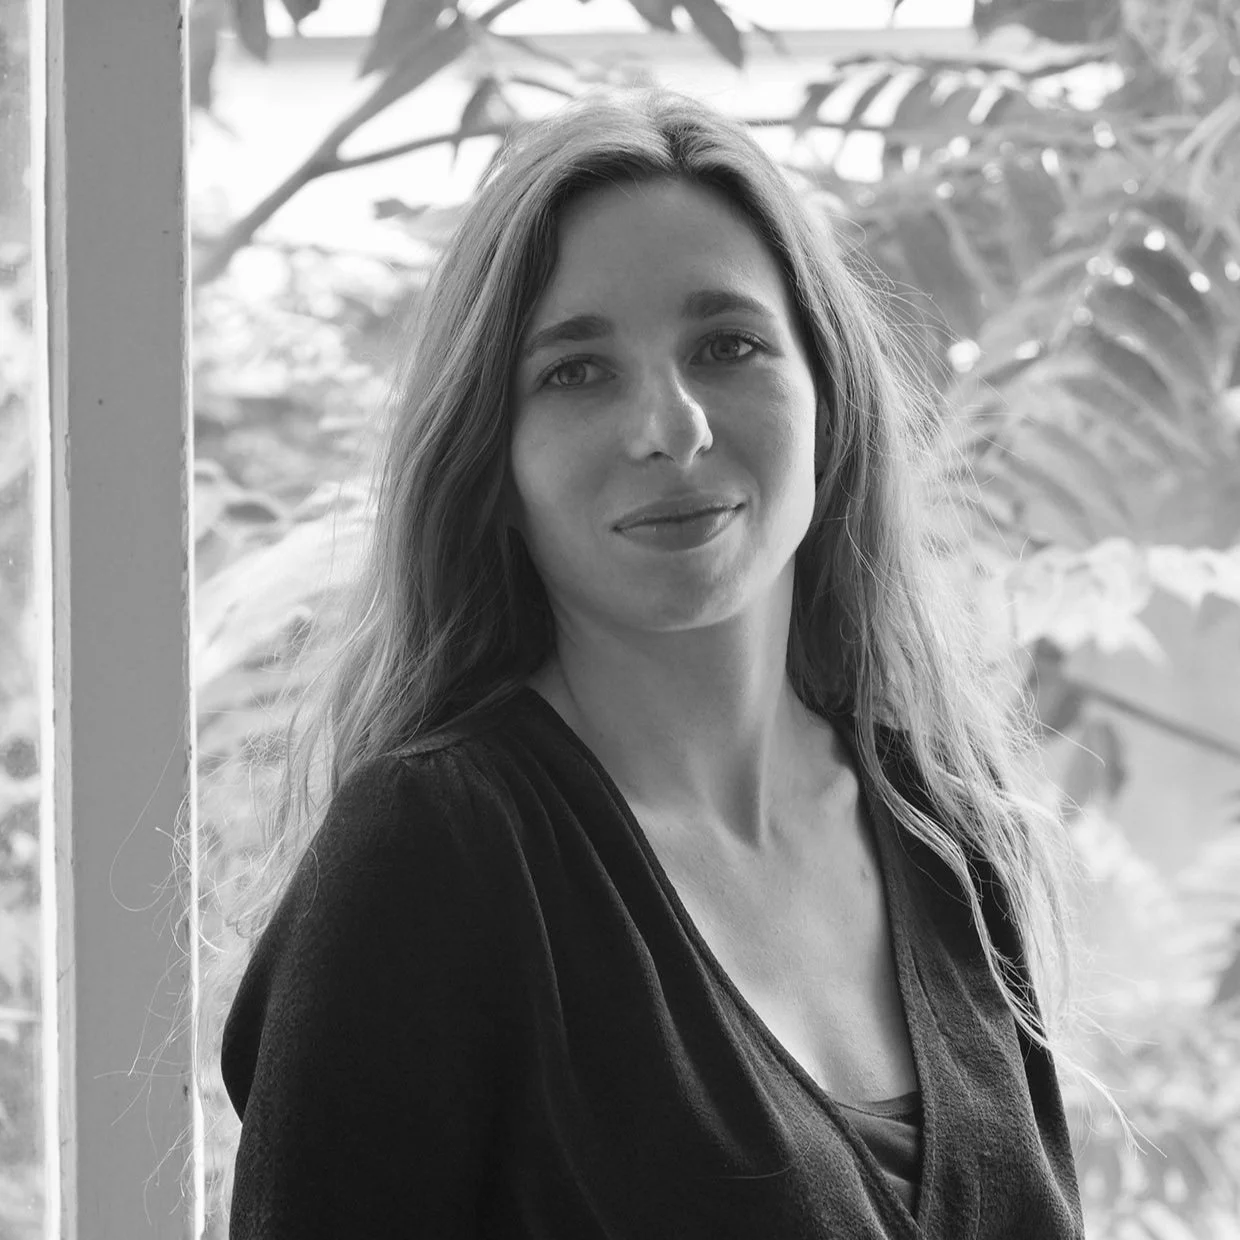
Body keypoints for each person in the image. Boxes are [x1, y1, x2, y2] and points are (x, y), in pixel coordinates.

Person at [212, 85, 1125, 1238]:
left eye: (727, 344)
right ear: (493, 461)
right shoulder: (432, 855)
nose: (673, 425)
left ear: (829, 398)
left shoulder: (945, 833)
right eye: (576, 372)